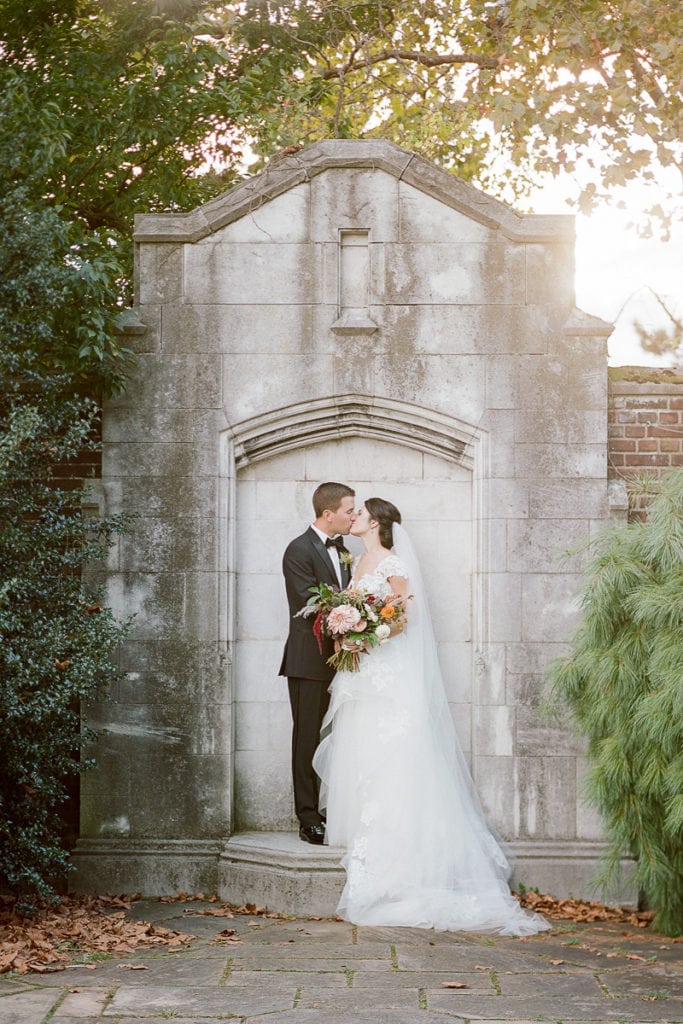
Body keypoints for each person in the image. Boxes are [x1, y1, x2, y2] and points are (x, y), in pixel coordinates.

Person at [313, 497, 549, 935]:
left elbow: (406, 613)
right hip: (363, 669)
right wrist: (348, 630)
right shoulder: (359, 559)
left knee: (396, 751)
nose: (355, 518)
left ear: (378, 522)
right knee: (364, 742)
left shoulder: (392, 562)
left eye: (362, 514)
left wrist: (372, 633)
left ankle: (402, 848)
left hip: (388, 668)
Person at [280, 482, 356, 844]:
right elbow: (309, 603)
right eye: (349, 510)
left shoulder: (344, 550)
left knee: (347, 737)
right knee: (307, 737)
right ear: (328, 514)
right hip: (308, 661)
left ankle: (338, 808)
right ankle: (308, 816)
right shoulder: (298, 550)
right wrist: (352, 620)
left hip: (344, 660)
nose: (353, 516)